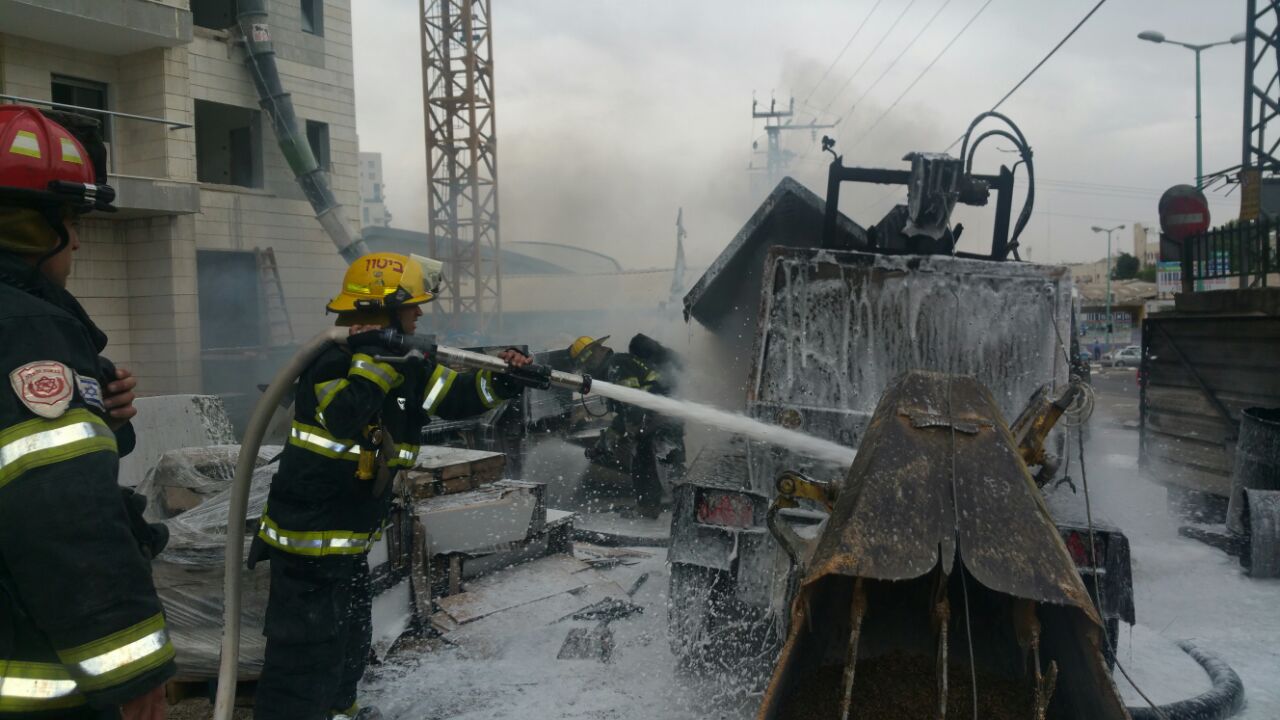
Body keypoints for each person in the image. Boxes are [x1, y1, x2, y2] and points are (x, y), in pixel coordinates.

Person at [251, 252, 532, 720]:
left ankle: (342, 713)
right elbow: (344, 416)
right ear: (381, 309)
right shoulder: (330, 361)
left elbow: (455, 396)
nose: (420, 314)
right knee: (305, 659)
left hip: (346, 544)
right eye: (413, 306)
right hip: (308, 546)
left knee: (350, 644)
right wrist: (376, 359)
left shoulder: (403, 361)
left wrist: (504, 382)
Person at [0, 105, 175, 718]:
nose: (76, 238)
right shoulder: (27, 327)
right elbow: (61, 513)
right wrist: (132, 672)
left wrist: (102, 417)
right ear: (25, 226)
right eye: (69, 219)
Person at [568, 334, 685, 519]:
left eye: (587, 360)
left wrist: (635, 428)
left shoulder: (616, 366)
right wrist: (604, 444)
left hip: (659, 418)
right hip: (663, 417)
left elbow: (631, 402)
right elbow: (623, 417)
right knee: (654, 465)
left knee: (661, 467)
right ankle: (653, 509)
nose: (588, 366)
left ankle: (676, 510)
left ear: (599, 352)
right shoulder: (618, 365)